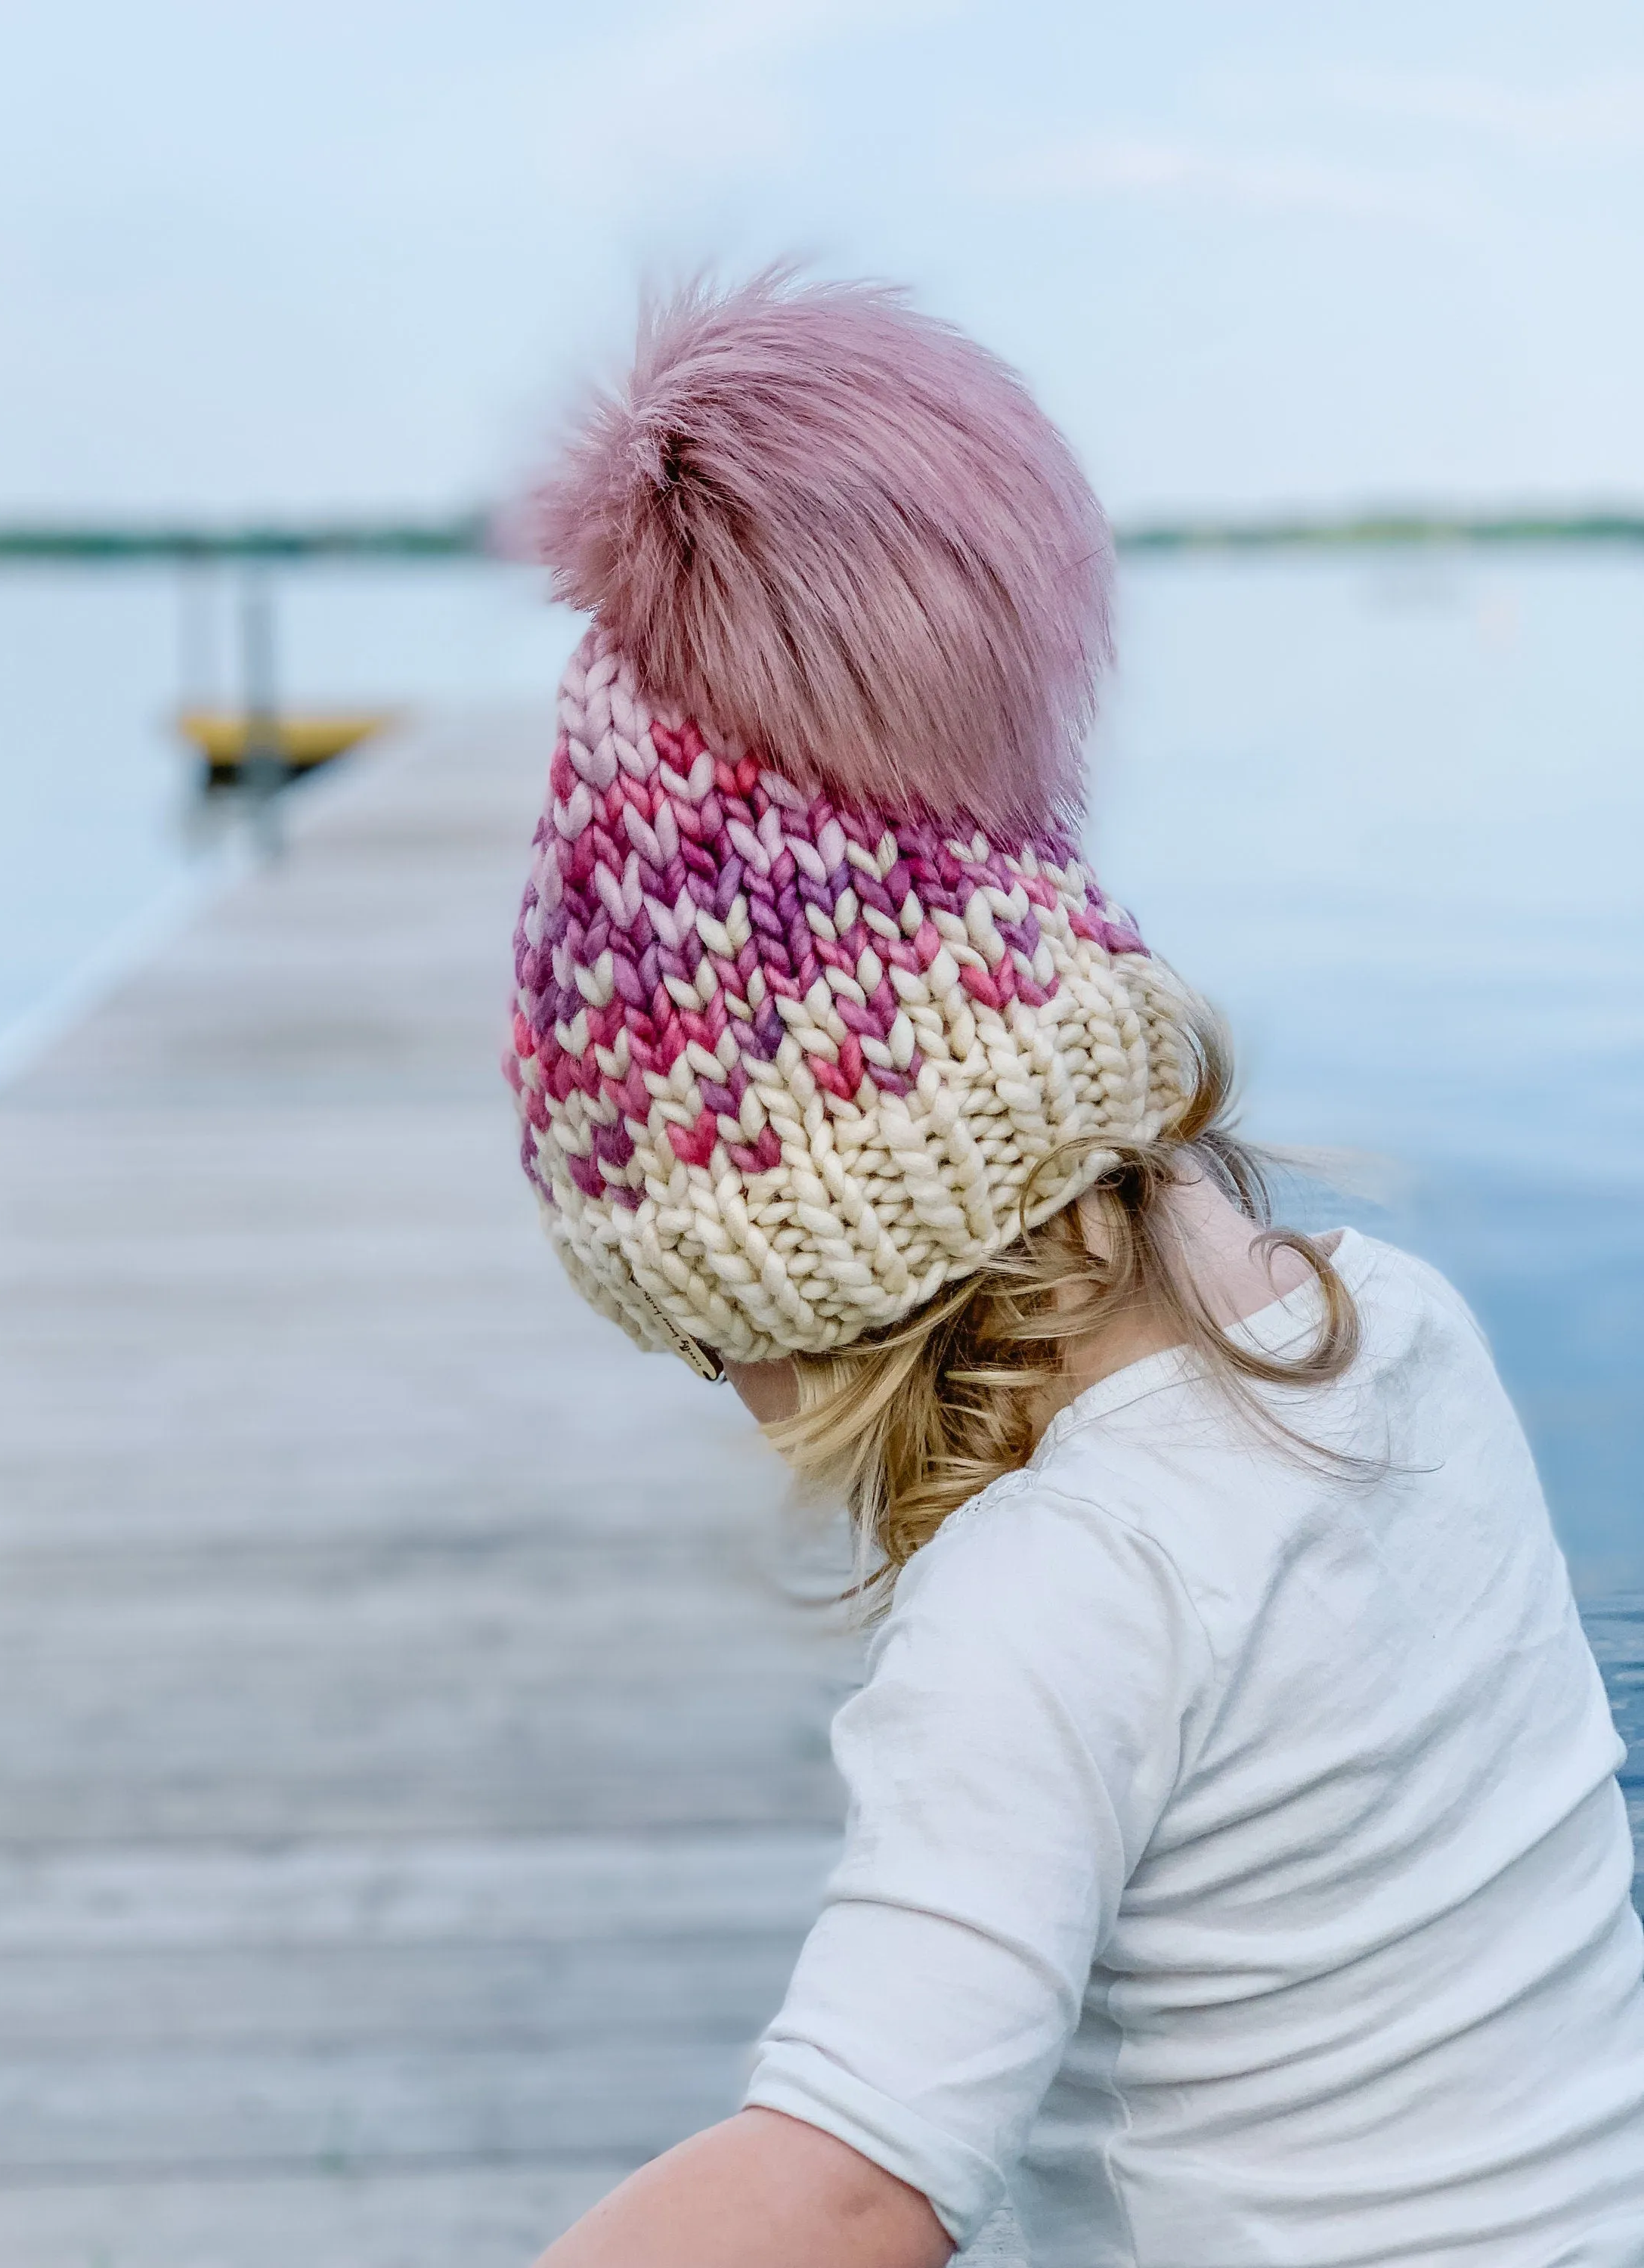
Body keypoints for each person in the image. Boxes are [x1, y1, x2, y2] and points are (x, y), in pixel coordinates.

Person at [503, 272, 1644, 2267]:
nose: (740, 1408)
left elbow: (854, 2179)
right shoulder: (1401, 1338)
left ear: (829, 1303)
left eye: (723, 1353)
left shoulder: (1046, 1601)